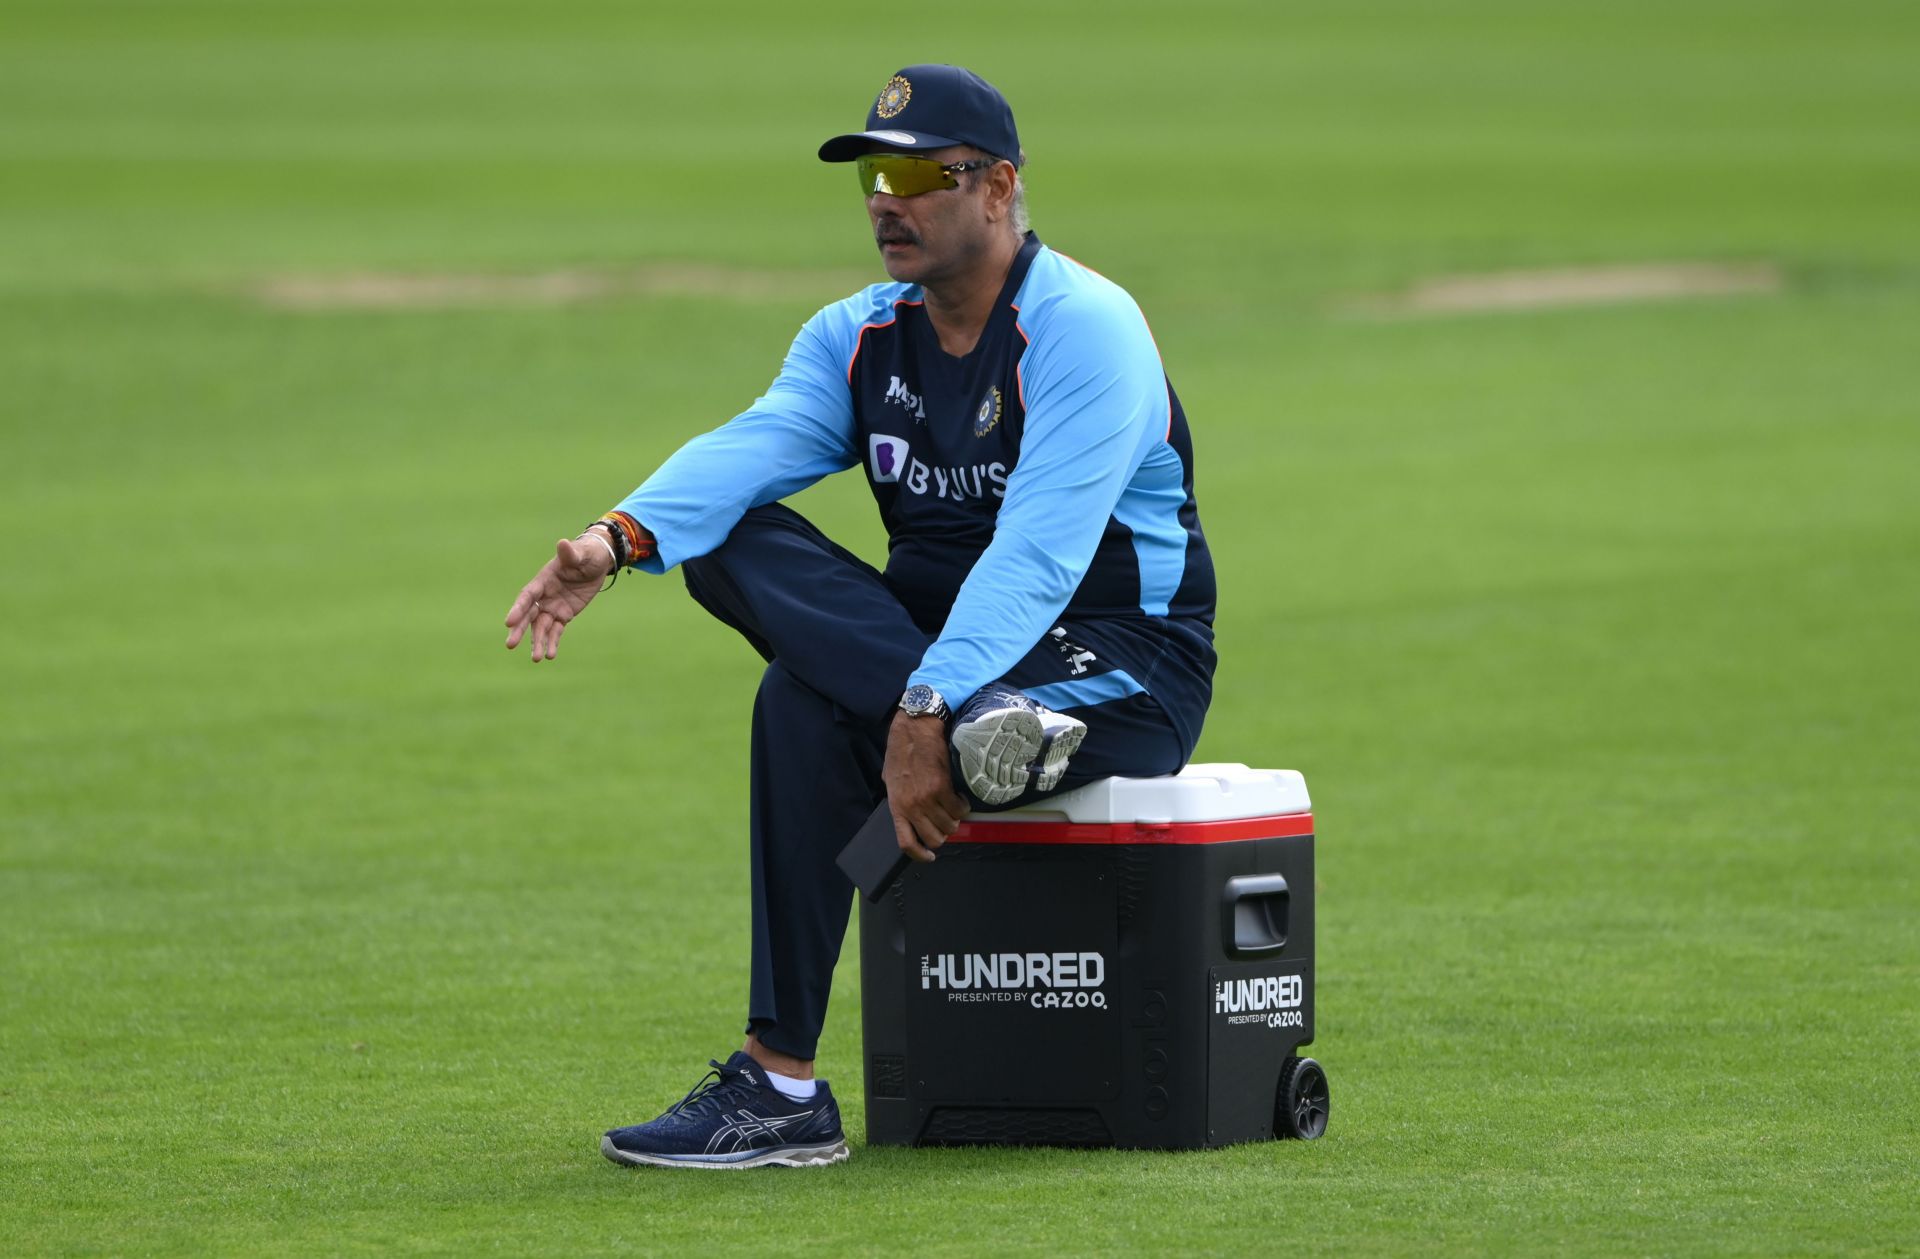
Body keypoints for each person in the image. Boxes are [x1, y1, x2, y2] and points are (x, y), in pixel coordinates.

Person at [503, 64, 1216, 1169]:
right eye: (874, 174)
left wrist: (927, 700)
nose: (889, 197)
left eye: (923, 172)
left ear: (998, 188)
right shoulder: (858, 332)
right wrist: (617, 539)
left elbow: (1036, 556)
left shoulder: (1086, 329)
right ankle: (780, 1085)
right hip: (937, 663)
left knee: (805, 694)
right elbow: (752, 444)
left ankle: (979, 719)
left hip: (1114, 656)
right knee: (726, 541)